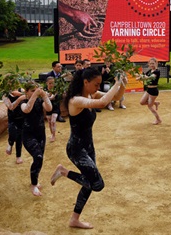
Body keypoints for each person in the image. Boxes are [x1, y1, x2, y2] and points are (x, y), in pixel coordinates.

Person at [50, 68, 127, 229]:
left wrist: (122, 85)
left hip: (88, 147)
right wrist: (116, 83)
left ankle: (74, 219)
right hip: (76, 149)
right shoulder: (75, 100)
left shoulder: (91, 94)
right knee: (97, 184)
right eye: (96, 84)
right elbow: (103, 103)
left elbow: (116, 98)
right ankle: (63, 171)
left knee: (89, 185)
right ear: (85, 82)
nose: (98, 87)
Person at [21, 81, 52, 196]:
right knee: (38, 156)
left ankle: (35, 179)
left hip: (40, 134)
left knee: (39, 159)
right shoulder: (23, 102)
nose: (35, 93)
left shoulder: (39, 101)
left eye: (36, 90)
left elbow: (49, 108)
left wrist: (44, 96)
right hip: (28, 135)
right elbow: (27, 109)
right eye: (32, 91)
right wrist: (35, 95)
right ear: (27, 92)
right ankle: (33, 185)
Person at [3, 89, 26, 164]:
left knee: (19, 137)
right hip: (12, 118)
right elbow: (11, 107)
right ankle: (10, 143)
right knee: (12, 132)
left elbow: (28, 94)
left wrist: (21, 94)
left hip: (21, 117)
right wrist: (19, 98)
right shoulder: (5, 95)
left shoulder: (21, 90)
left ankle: (18, 156)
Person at [137, 58, 162, 125]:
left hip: (153, 91)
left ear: (156, 63)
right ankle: (155, 103)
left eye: (153, 63)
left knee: (150, 106)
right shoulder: (149, 71)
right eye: (150, 63)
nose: (151, 65)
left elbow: (150, 77)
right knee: (142, 102)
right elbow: (145, 76)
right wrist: (139, 77)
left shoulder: (157, 71)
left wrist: (142, 77)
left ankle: (158, 119)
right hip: (148, 90)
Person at [44, 77, 60, 142]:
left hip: (55, 107)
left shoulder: (56, 90)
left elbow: (51, 98)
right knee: (50, 122)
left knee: (53, 121)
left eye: (53, 83)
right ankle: (52, 133)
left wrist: (48, 96)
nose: (51, 85)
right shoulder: (45, 90)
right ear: (46, 83)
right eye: (50, 83)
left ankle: (53, 135)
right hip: (48, 108)